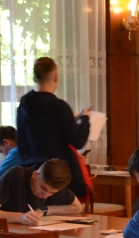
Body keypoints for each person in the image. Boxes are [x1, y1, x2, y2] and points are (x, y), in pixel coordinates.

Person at [16, 56, 91, 199]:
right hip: (54, 176)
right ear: (56, 76)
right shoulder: (59, 107)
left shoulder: (23, 106)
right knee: (69, 210)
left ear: (35, 78)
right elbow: (78, 141)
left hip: (29, 174)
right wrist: (85, 120)